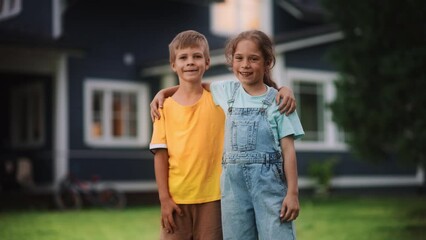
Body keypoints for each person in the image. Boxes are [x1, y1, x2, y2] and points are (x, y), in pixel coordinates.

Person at [150, 30, 296, 240]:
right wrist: (162, 93)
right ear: (173, 64)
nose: (190, 62)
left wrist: (284, 89)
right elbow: (160, 156)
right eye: (183, 58)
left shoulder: (220, 99)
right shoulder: (165, 107)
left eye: (197, 56)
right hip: (177, 198)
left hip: (216, 197)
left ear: (207, 62)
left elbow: (256, 91)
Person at [210, 30, 304, 240]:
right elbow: (193, 88)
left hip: (269, 188)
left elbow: (288, 151)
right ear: (231, 61)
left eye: (253, 59)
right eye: (239, 58)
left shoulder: (280, 102)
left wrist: (293, 193)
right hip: (233, 191)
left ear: (267, 62)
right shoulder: (225, 91)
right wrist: (163, 93)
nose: (245, 65)